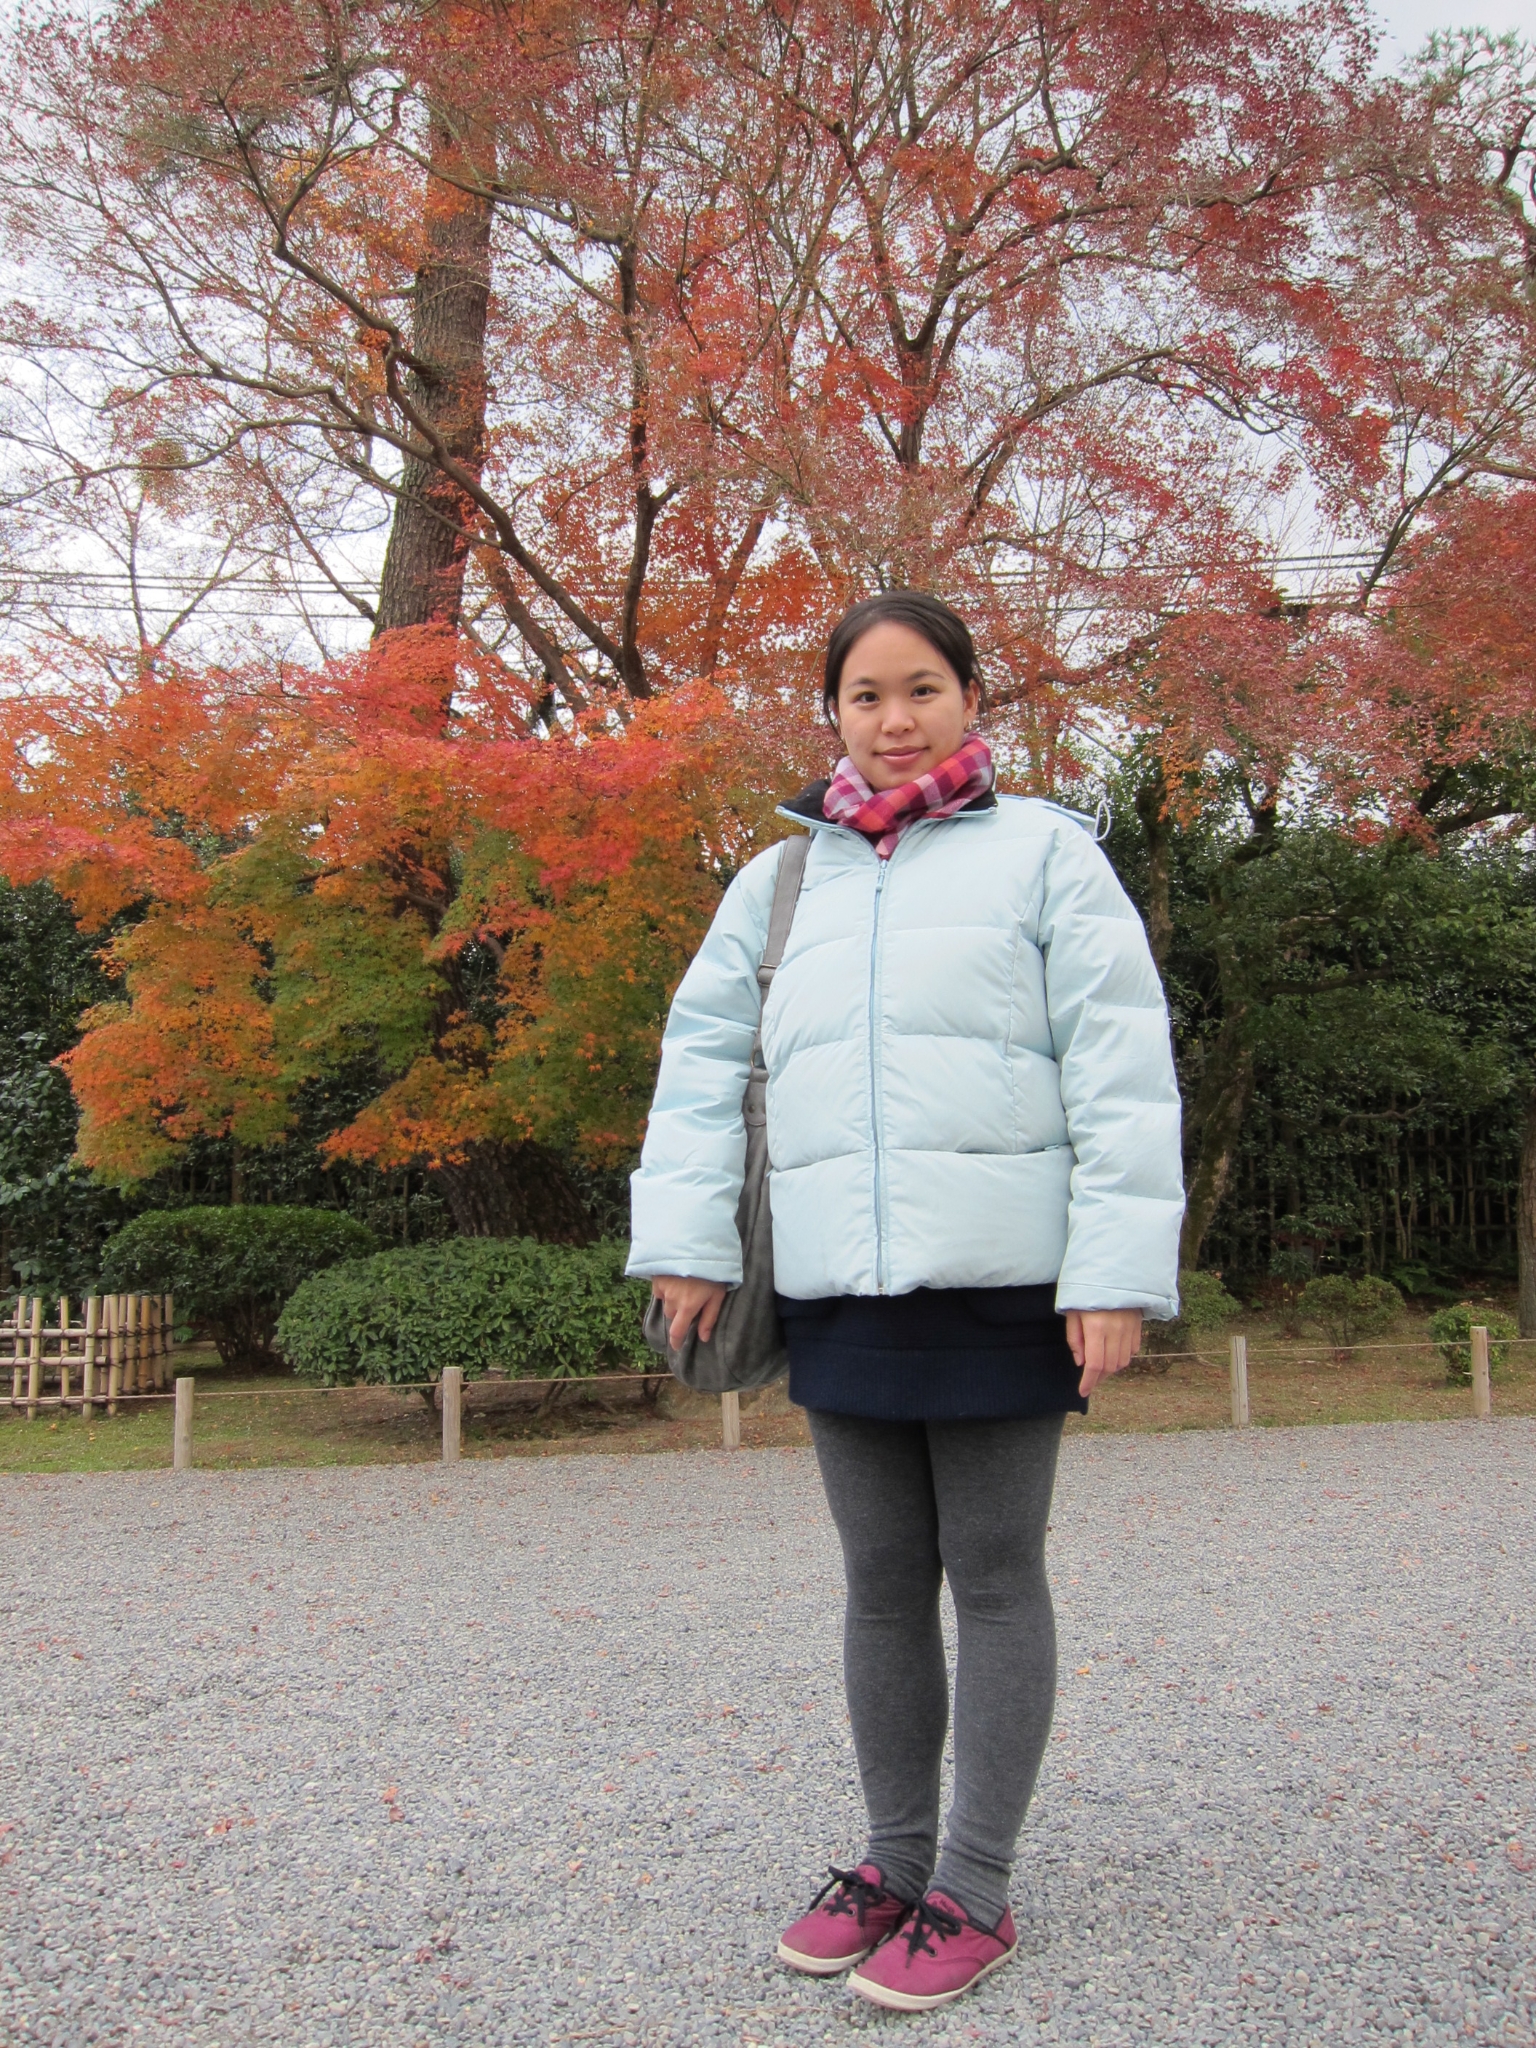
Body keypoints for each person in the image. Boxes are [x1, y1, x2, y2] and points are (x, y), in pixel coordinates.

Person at [627, 591, 1184, 2014]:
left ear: (969, 699)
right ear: (833, 713)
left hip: (1004, 1284)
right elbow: (701, 1067)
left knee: (993, 1577)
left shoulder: (1047, 853)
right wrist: (687, 1242)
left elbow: (1121, 1066)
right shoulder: (780, 881)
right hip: (836, 1286)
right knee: (880, 1582)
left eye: (922, 688)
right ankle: (893, 1862)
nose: (894, 719)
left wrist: (1114, 1272)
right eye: (866, 694)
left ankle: (974, 1888)